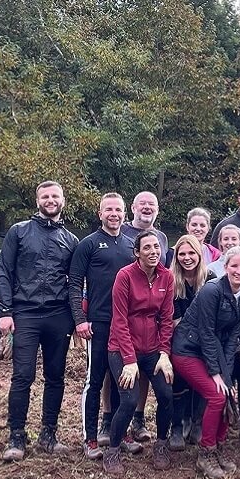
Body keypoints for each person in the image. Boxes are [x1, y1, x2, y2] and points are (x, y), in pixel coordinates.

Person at [0, 181, 79, 462]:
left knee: (55, 377)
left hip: (58, 316)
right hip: (25, 313)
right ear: (37, 201)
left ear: (63, 200)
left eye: (55, 195)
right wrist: (4, 312)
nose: (50, 200)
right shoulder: (18, 232)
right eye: (45, 196)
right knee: (22, 376)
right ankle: (16, 436)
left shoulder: (71, 240)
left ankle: (49, 434)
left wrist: (77, 318)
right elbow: (4, 272)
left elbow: (76, 283)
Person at [171, 246, 240, 478]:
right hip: (187, 349)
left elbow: (232, 339)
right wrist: (215, 372)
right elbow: (206, 332)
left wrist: (226, 374)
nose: (238, 271)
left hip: (214, 350)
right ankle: (205, 453)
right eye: (234, 266)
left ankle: (218, 446)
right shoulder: (212, 290)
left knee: (226, 393)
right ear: (225, 267)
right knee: (216, 396)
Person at [68, 193, 135, 460]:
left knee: (124, 380)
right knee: (94, 381)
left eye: (118, 210)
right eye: (108, 210)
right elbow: (74, 284)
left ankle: (121, 433)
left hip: (125, 326)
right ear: (100, 214)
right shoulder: (89, 245)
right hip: (98, 324)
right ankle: (91, 438)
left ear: (124, 213)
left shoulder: (132, 246)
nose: (114, 214)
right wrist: (79, 320)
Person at [102, 231, 176, 475]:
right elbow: (119, 319)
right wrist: (130, 360)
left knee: (166, 394)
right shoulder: (125, 276)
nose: (154, 251)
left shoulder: (167, 277)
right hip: (122, 348)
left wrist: (164, 353)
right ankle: (112, 450)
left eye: (157, 246)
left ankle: (162, 444)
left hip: (153, 348)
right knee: (130, 399)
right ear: (137, 253)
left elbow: (166, 319)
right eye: (147, 248)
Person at [120, 190, 168, 442]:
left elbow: (161, 278)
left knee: (147, 373)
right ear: (133, 207)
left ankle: (138, 420)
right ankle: (111, 422)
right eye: (143, 204)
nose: (147, 207)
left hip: (150, 328)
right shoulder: (121, 232)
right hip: (118, 316)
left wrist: (164, 349)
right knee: (115, 375)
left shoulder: (161, 237)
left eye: (152, 204)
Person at [168, 234, 215, 449]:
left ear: (199, 254)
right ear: (176, 257)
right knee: (179, 383)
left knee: (202, 382)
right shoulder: (171, 280)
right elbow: (175, 319)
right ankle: (178, 426)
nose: (187, 258)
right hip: (179, 340)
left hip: (205, 341)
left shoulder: (211, 279)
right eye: (182, 254)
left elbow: (213, 316)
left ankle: (197, 423)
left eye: (191, 253)